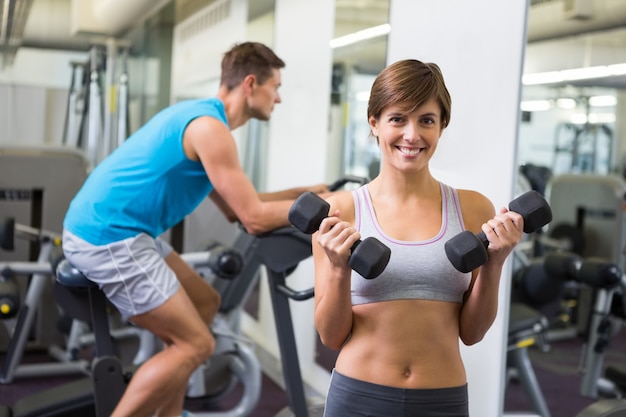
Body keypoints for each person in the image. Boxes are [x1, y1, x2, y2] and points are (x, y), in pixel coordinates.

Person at [62, 41, 329, 417]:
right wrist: (335, 208)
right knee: (196, 345)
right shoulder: (210, 129)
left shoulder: (203, 119)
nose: (279, 98)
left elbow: (241, 204)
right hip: (109, 237)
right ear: (251, 84)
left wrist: (309, 193)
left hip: (126, 232)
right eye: (276, 87)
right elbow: (253, 218)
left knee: (205, 303)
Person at [311, 59, 524, 416]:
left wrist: (495, 263)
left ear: (442, 126)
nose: (412, 135)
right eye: (398, 118)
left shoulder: (472, 208)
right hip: (360, 396)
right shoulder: (339, 213)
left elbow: (472, 333)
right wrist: (337, 267)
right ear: (374, 123)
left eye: (426, 120)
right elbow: (331, 337)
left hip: (443, 398)